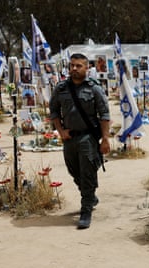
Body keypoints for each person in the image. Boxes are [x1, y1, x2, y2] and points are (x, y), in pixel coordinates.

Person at [49, 53, 111, 229]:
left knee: (87, 172)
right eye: (72, 65)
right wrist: (60, 131)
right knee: (73, 170)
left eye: (78, 66)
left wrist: (105, 139)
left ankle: (86, 211)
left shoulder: (94, 88)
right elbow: (53, 111)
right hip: (69, 138)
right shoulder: (61, 88)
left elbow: (104, 114)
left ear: (87, 68)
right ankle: (90, 196)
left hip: (87, 137)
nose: (74, 69)